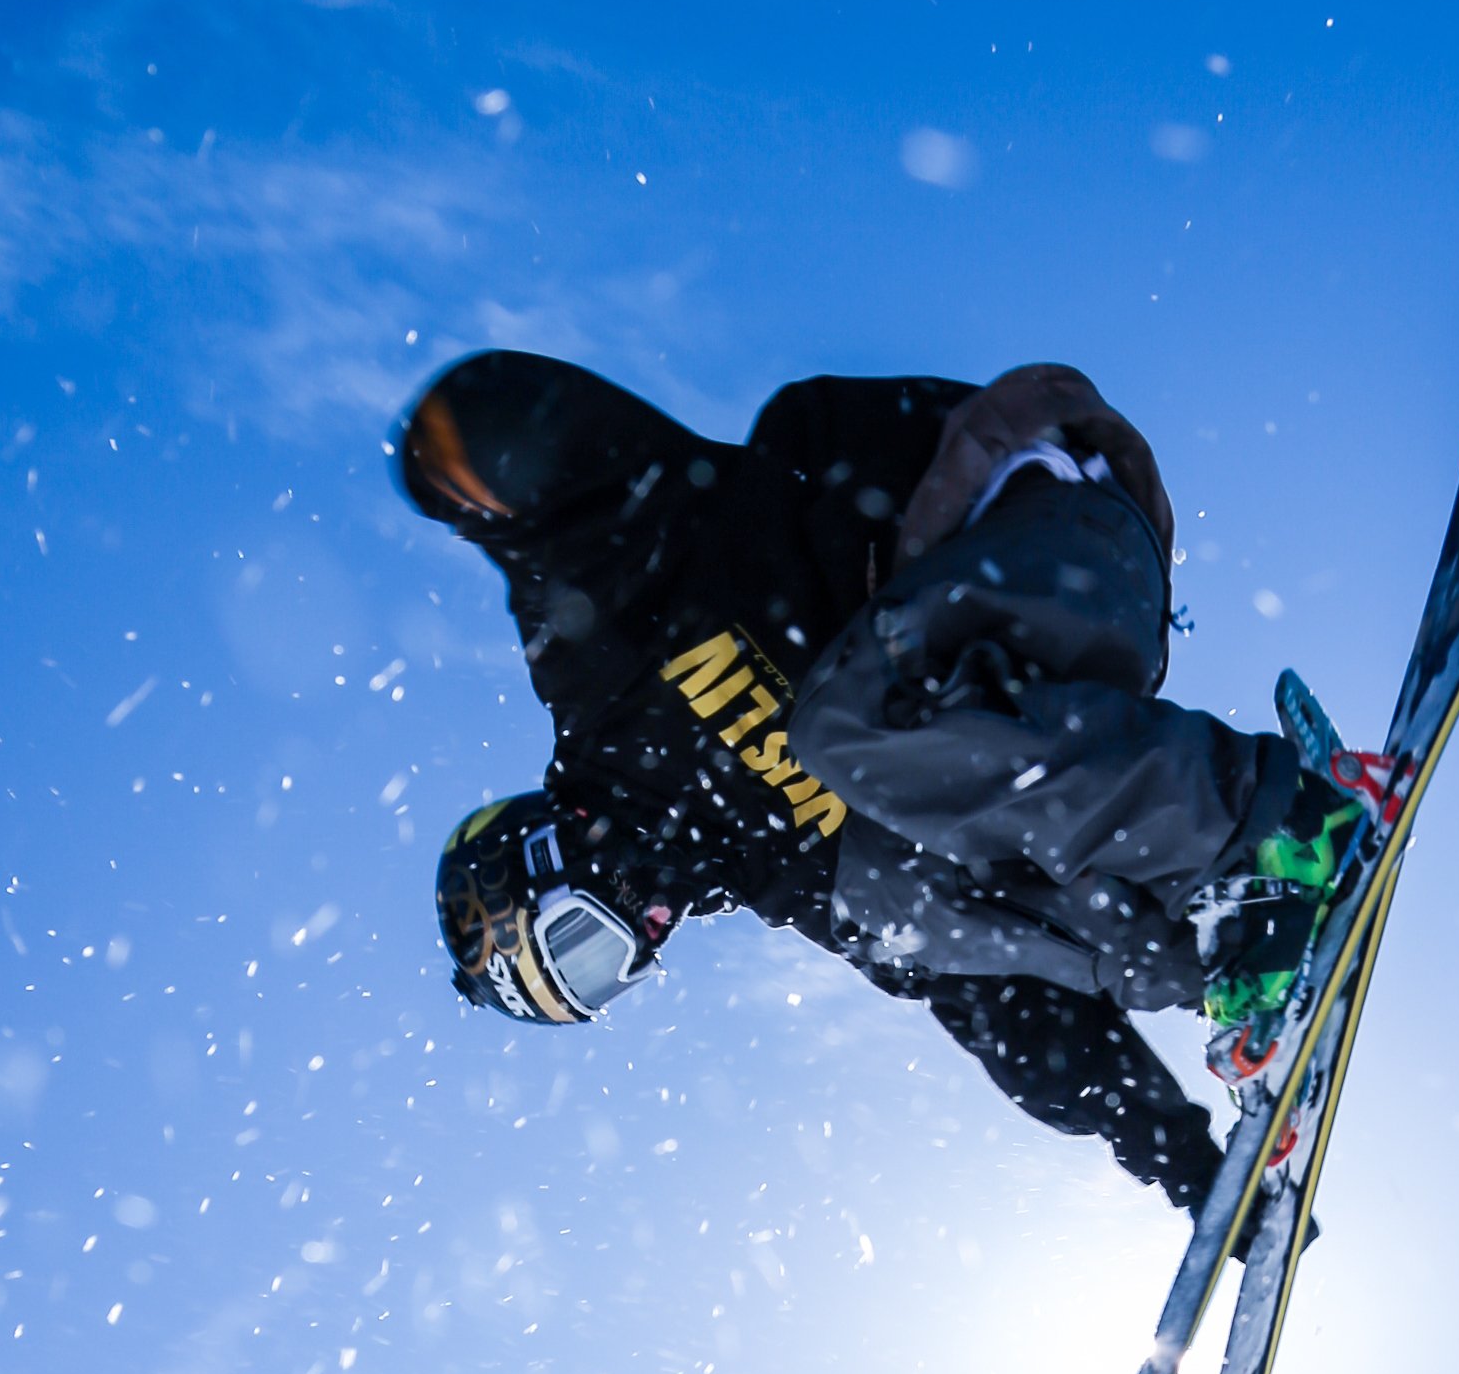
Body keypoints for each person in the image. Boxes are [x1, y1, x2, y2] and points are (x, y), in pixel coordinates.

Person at [402, 350, 1389, 1218]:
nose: (639, 940)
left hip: (1018, 502)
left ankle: (1277, 828)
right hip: (1044, 671)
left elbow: (518, 435)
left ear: (543, 849)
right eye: (602, 980)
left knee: (845, 739)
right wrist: (1177, 1157)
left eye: (580, 940)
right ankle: (1235, 937)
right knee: (928, 922)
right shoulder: (775, 871)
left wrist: (458, 469)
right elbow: (996, 1006)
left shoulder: (602, 669)